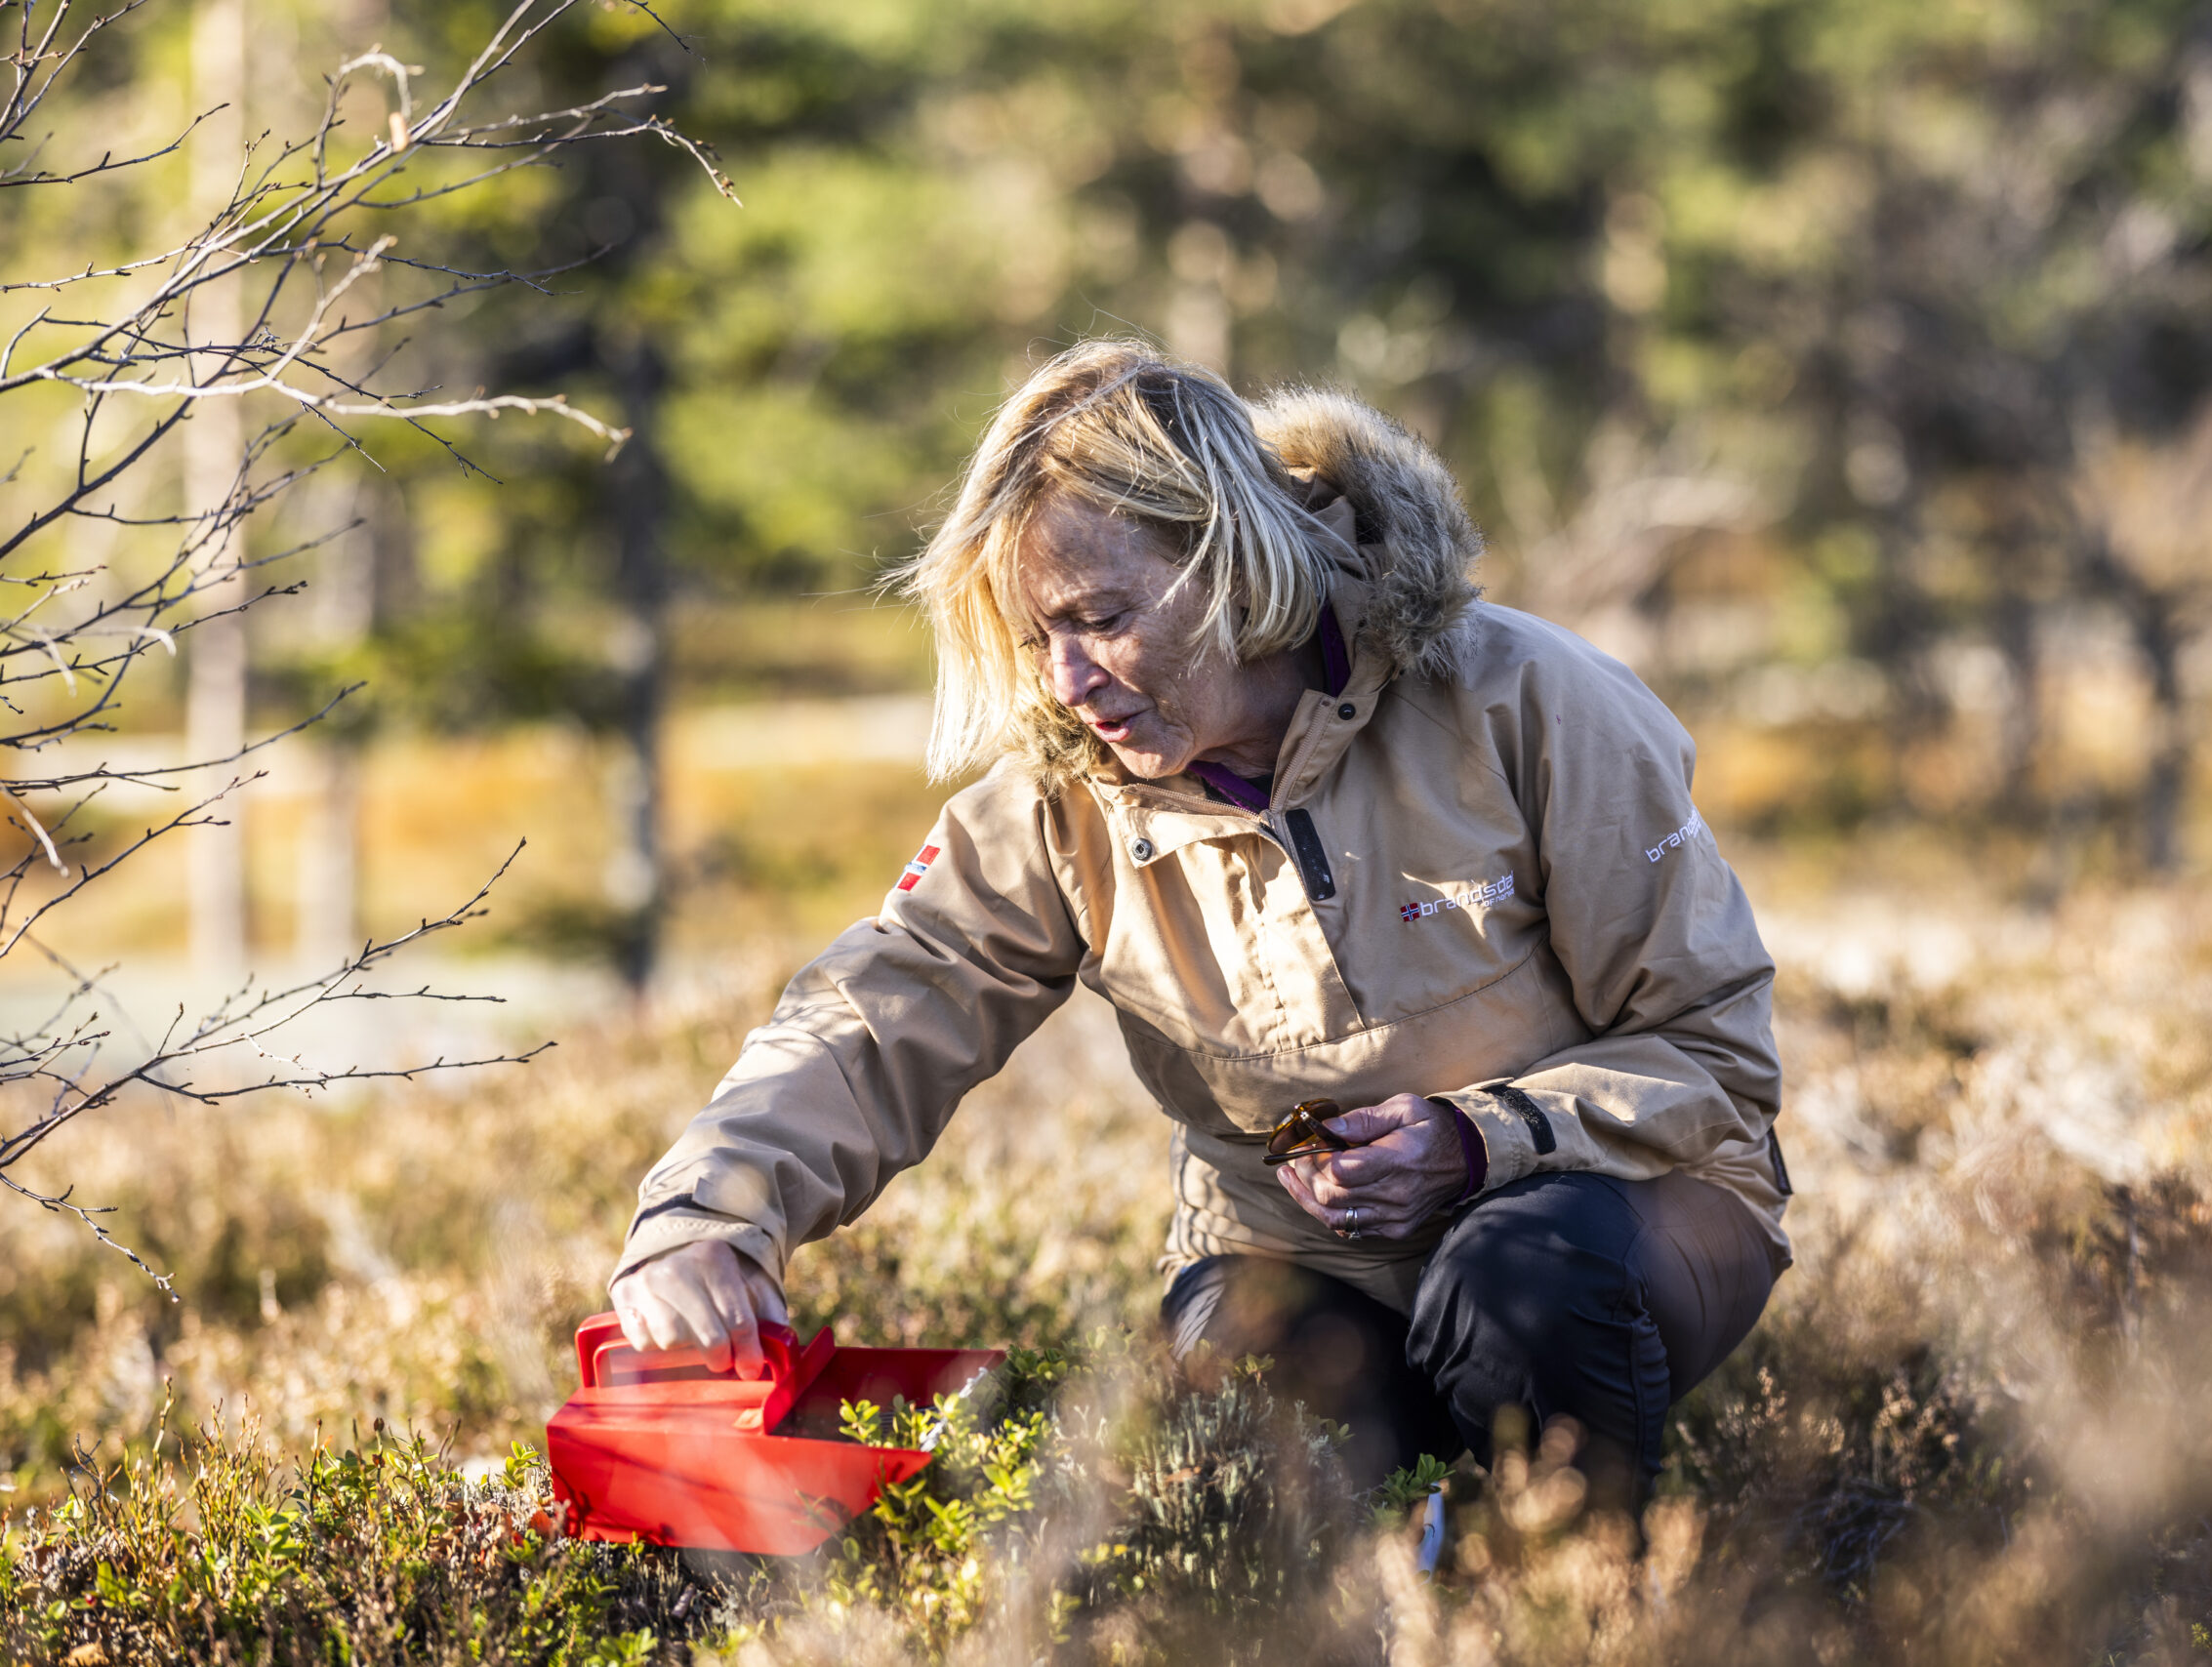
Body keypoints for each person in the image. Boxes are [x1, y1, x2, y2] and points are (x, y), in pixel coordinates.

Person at [609, 339, 1790, 1504]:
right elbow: (884, 1003)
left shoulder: (1525, 700)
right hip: (1295, 1262)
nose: (1066, 682)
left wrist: (1479, 1140)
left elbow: (1710, 1057)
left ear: (1232, 561)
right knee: (1256, 1407)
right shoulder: (1062, 794)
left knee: (1513, 1290)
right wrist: (707, 1214)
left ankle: (1588, 1612)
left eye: (1099, 616)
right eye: (1037, 639)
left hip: (1631, 1205)